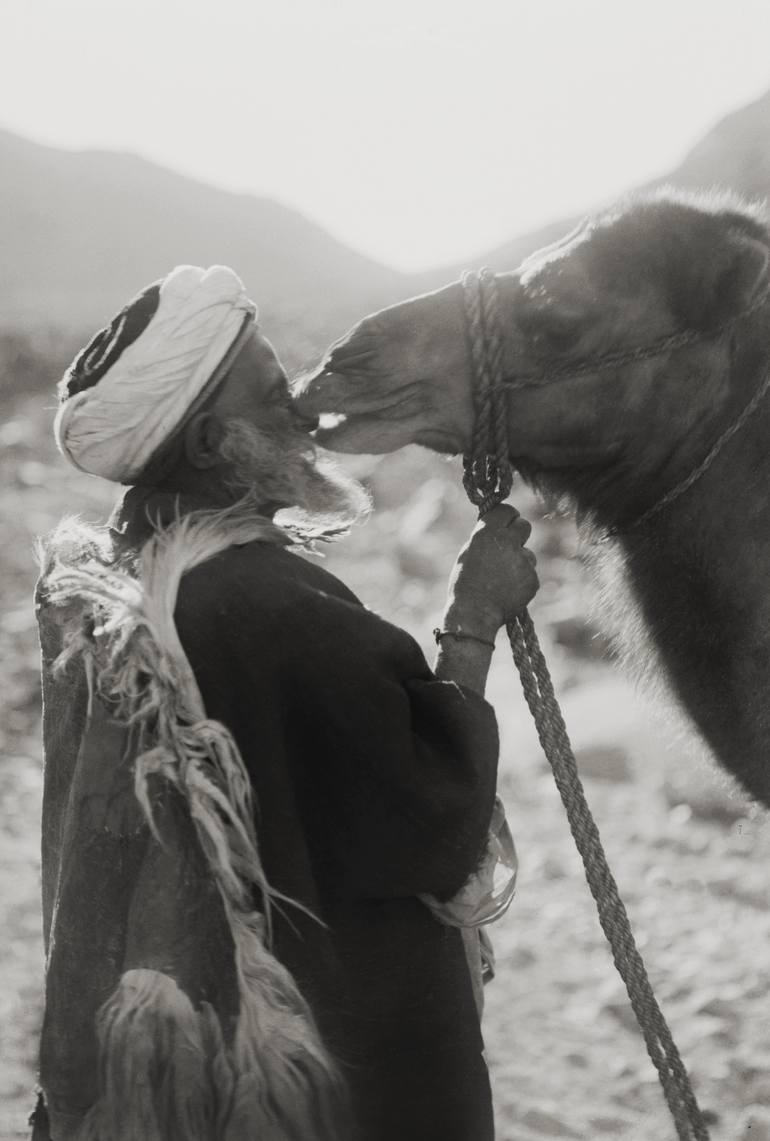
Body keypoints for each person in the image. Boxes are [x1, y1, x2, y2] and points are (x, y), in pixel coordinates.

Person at [33, 265, 539, 1141]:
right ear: (205, 446)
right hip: (328, 1084)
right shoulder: (266, 605)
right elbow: (434, 819)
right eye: (273, 394)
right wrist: (473, 619)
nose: (303, 411)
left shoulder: (117, 579)